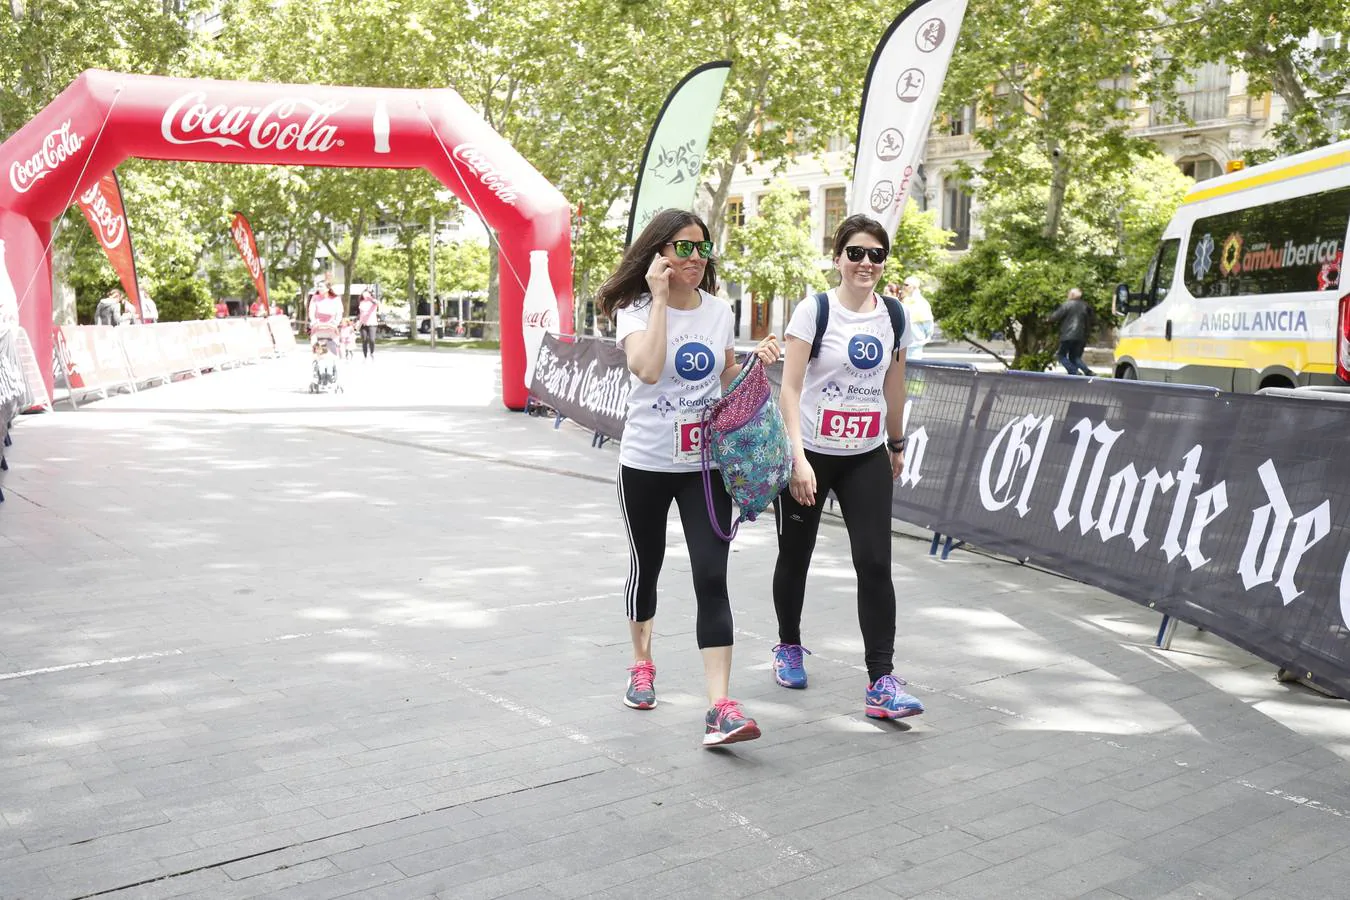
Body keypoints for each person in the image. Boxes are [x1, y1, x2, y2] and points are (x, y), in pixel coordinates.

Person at [594, 208, 779, 748]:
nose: (695, 259)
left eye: (702, 248)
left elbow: (722, 373)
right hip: (647, 461)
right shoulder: (634, 310)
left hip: (705, 465)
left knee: (711, 576)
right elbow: (648, 369)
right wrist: (655, 300)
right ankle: (641, 664)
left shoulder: (720, 310)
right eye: (682, 248)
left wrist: (750, 364)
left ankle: (720, 706)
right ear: (659, 252)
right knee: (645, 565)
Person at [770, 214, 925, 721]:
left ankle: (882, 682)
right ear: (838, 258)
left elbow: (893, 385)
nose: (866, 264)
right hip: (810, 454)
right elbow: (789, 389)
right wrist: (797, 459)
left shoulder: (893, 316)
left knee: (876, 563)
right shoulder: (814, 311)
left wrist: (896, 442)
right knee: (796, 556)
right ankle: (788, 645)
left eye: (876, 255)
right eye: (855, 253)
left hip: (865, 456)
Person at [1048, 287, 1095, 376]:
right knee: (1075, 357)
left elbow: (1054, 317)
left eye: (1069, 293)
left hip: (1067, 335)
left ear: (1072, 295)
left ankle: (1074, 371)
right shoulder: (1086, 306)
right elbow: (1092, 320)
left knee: (1061, 355)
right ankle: (1087, 371)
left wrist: (1047, 319)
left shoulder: (1067, 305)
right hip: (1082, 336)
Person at [899, 276, 935, 360]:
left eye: (906, 285)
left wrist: (922, 341)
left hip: (914, 346)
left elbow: (928, 325)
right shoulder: (904, 301)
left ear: (914, 287)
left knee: (914, 371)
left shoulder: (922, 303)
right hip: (903, 345)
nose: (903, 287)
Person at [307, 275, 343, 354]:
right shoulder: (315, 298)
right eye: (318, 287)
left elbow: (339, 312)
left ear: (327, 288)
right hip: (318, 324)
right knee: (314, 338)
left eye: (321, 287)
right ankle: (315, 355)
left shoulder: (336, 299)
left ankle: (335, 355)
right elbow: (311, 311)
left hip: (331, 325)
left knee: (335, 340)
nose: (319, 288)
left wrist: (336, 322)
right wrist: (313, 320)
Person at [357, 288, 380, 359]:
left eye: (366, 293)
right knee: (364, 340)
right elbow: (361, 314)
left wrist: (370, 298)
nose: (365, 295)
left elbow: (378, 303)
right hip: (363, 324)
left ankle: (372, 352)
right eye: (364, 293)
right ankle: (365, 356)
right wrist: (359, 323)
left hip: (372, 323)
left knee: (372, 340)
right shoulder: (362, 302)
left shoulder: (373, 302)